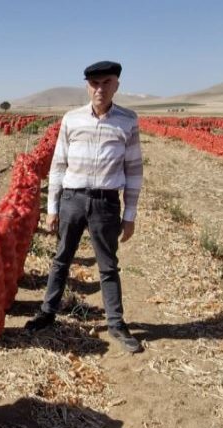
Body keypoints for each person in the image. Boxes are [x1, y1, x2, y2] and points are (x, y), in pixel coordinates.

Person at [25, 60, 144, 353]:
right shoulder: (72, 119)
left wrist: (129, 216)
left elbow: (134, 171)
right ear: (87, 86)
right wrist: (52, 207)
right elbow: (58, 164)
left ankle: (116, 323)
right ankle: (47, 312)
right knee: (61, 258)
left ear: (116, 85)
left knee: (108, 266)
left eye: (106, 83)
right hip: (72, 199)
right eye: (94, 83)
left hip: (105, 202)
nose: (99, 89)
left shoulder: (127, 121)